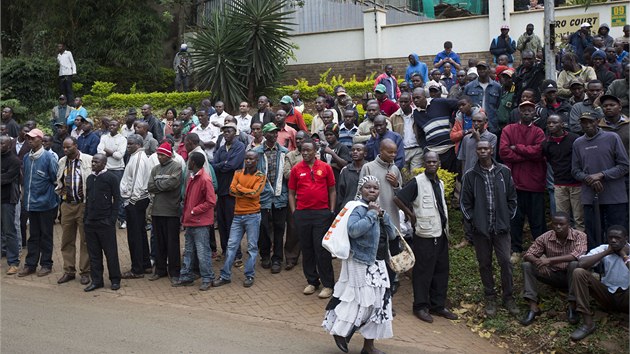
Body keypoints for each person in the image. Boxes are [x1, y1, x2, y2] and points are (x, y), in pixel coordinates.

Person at [322, 176, 395, 354]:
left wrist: (382, 215)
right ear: (360, 190)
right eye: (367, 187)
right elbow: (354, 231)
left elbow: (392, 234)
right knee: (358, 300)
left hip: (378, 261)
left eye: (375, 188)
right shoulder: (356, 208)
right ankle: (340, 332)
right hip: (360, 261)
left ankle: (368, 347)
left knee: (378, 303)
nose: (372, 191)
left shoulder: (378, 209)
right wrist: (370, 214)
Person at [395, 152, 458, 323]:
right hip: (425, 235)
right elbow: (398, 198)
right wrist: (410, 215)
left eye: (434, 161)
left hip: (441, 233)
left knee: (441, 271)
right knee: (423, 272)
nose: (431, 164)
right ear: (424, 163)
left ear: (439, 163)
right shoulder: (417, 182)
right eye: (428, 161)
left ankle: (438, 306)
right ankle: (420, 306)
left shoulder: (440, 182)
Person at [460, 140, 519, 317]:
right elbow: (465, 203)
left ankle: (508, 297)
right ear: (476, 151)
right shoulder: (470, 175)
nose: (483, 151)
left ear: (491, 150)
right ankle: (490, 297)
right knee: (485, 264)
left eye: (486, 148)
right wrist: (474, 221)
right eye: (480, 149)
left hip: (501, 229)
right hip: (481, 231)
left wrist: (507, 219)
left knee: (506, 263)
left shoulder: (504, 172)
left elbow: (513, 199)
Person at [571, 112, 629, 250]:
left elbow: (624, 166)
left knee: (617, 233)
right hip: (590, 197)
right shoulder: (578, 142)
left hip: (615, 197)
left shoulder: (612, 137)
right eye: (584, 122)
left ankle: (621, 265)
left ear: (597, 121)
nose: (588, 125)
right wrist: (588, 179)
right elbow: (575, 170)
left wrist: (602, 175)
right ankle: (597, 268)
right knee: (593, 234)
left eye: (590, 122)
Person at [288, 138, 336, 299]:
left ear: (315, 151)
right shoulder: (296, 169)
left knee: (321, 249)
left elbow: (332, 190)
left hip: (321, 214)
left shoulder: (325, 167)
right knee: (307, 248)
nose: (306, 153)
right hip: (302, 214)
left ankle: (328, 284)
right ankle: (312, 281)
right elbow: (291, 193)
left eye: (309, 150)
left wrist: (331, 210)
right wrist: (295, 212)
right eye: (303, 150)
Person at [520, 212, 587, 326]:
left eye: (562, 224)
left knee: (574, 264)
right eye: (555, 224)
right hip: (553, 274)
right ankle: (533, 307)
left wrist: (549, 260)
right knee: (527, 265)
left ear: (569, 224)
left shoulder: (579, 236)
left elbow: (576, 255)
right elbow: (528, 254)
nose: (558, 227)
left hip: (572, 277)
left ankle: (572, 305)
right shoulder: (545, 237)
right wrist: (538, 262)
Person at [500, 101, 546, 262]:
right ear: (519, 113)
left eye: (530, 110)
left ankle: (540, 250)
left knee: (537, 219)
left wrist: (517, 148)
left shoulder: (539, 132)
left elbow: (539, 152)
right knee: (515, 218)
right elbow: (504, 152)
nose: (527, 113)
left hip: (535, 183)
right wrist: (527, 154)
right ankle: (516, 249)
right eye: (524, 110)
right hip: (515, 182)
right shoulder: (508, 129)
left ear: (535, 114)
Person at [213, 151, 265, 288]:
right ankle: (225, 276)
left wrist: (240, 189)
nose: (248, 161)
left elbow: (255, 193)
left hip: (253, 215)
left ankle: (249, 275)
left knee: (252, 247)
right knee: (231, 246)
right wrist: (246, 191)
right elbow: (231, 191)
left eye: (251, 159)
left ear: (257, 160)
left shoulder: (260, 176)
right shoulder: (237, 173)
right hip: (237, 215)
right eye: (246, 158)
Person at [570, 225, 629, 341]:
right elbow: (581, 263)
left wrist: (624, 255)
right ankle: (588, 323)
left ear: (626, 238)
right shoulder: (604, 248)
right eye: (610, 237)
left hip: (626, 296)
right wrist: (606, 252)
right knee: (578, 272)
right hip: (607, 295)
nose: (613, 240)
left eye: (617, 238)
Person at [172, 152, 217, 289]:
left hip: (200, 222)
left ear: (194, 163)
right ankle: (186, 276)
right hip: (191, 221)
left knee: (202, 252)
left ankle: (208, 278)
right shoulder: (193, 177)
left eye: (189, 160)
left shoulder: (204, 179)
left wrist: (194, 211)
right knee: (189, 250)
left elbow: (211, 201)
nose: (187, 162)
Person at [17, 129, 59, 277]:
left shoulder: (49, 158)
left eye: (33, 138)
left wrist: (49, 197)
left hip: (46, 204)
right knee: (33, 235)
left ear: (40, 140)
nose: (30, 141)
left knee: (46, 235)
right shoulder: (27, 158)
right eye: (28, 138)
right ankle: (31, 264)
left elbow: (55, 180)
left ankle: (46, 264)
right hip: (31, 204)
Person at [54, 136, 92, 285]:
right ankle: (69, 270)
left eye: (68, 147)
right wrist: (60, 190)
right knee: (67, 240)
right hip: (67, 205)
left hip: (83, 205)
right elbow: (59, 180)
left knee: (85, 241)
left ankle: (85, 271)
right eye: (63, 147)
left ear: (75, 146)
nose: (65, 150)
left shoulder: (88, 160)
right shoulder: (62, 162)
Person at [253, 123, 289, 273]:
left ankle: (277, 258)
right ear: (265, 134)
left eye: (276, 133)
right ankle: (265, 255)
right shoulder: (257, 152)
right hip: (263, 196)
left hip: (280, 196)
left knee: (280, 228)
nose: (274, 135)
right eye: (271, 133)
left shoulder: (284, 152)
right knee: (264, 227)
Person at [83, 153, 122, 292]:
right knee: (94, 254)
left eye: (97, 162)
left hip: (105, 223)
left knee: (110, 253)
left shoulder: (111, 178)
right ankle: (97, 280)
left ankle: (115, 279)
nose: (93, 164)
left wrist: (112, 220)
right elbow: (87, 200)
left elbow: (117, 199)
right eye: (93, 162)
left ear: (104, 163)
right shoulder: (89, 178)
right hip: (90, 223)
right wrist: (85, 220)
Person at [147, 142, 183, 282]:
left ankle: (174, 272)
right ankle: (160, 270)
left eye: (162, 155)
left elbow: (173, 183)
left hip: (171, 211)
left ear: (168, 155)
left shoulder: (176, 166)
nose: (159, 157)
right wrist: (162, 186)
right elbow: (150, 186)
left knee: (172, 243)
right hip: (157, 211)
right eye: (158, 154)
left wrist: (158, 186)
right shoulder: (155, 169)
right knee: (159, 242)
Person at [542, 115, 583, 231]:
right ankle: (565, 246)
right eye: (549, 123)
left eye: (554, 123)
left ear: (562, 124)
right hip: (559, 184)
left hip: (576, 184)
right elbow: (549, 159)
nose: (551, 125)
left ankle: (581, 245)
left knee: (579, 218)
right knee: (562, 219)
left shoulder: (574, 139)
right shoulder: (546, 143)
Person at [212, 123, 246, 262]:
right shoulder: (221, 148)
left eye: (229, 131)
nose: (226, 133)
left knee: (233, 224)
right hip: (221, 191)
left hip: (232, 191)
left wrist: (222, 165)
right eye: (224, 131)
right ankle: (226, 251)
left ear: (235, 133)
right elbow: (213, 165)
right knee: (222, 223)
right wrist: (223, 164)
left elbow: (232, 165)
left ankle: (236, 254)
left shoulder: (239, 147)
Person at [120, 134, 152, 279]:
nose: (128, 146)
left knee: (135, 236)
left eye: (131, 144)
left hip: (136, 201)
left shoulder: (139, 158)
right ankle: (145, 264)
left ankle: (137, 269)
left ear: (138, 145)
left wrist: (131, 201)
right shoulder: (135, 156)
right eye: (127, 143)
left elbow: (137, 183)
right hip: (136, 200)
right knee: (140, 233)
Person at [360, 139, 403, 242]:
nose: (393, 155)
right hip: (374, 218)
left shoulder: (395, 169)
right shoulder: (368, 167)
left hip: (392, 217)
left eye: (395, 152)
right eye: (390, 152)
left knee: (393, 252)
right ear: (381, 150)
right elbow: (360, 193)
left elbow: (401, 196)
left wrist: (396, 185)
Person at [412, 88, 459, 173]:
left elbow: (459, 104)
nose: (415, 100)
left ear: (425, 96)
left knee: (452, 177)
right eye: (414, 98)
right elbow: (420, 134)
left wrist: (452, 121)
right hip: (433, 152)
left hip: (449, 148)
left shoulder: (439, 102)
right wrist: (425, 148)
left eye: (418, 97)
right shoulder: (416, 113)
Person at [282, 130, 308, 270]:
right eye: (296, 139)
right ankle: (291, 258)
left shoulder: (313, 154)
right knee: (293, 229)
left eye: (301, 139)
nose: (298, 142)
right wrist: (303, 170)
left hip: (311, 198)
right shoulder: (290, 155)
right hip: (296, 197)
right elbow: (287, 174)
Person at [97, 120, 127, 228]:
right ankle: (106, 217)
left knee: (118, 195)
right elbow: (99, 152)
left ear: (118, 127)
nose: (111, 127)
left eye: (114, 125)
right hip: (105, 169)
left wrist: (107, 151)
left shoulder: (122, 139)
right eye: (110, 125)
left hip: (118, 169)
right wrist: (113, 152)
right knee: (105, 194)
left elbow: (120, 155)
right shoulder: (104, 137)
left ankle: (122, 218)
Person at [1, 135, 21, 275]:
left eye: (2, 143)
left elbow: (7, 178)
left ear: (9, 145)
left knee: (9, 231)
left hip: (8, 200)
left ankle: (13, 262)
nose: (0, 145)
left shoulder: (15, 160)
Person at [463, 61, 502, 134]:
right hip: (473, 124)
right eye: (479, 69)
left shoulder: (497, 87)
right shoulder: (469, 87)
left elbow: (498, 105)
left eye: (484, 68)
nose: (481, 71)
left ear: (489, 70)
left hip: (491, 124)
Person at [389, 92, 423, 171]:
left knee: (415, 174)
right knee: (404, 175)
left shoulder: (417, 114)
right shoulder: (394, 117)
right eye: (401, 102)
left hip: (417, 149)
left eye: (406, 102)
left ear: (411, 102)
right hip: (402, 150)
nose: (403, 104)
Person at [336, 143, 367, 212]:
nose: (355, 152)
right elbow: (340, 193)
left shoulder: (369, 168)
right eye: (353, 150)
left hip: (366, 208)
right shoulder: (345, 170)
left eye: (358, 150)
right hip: (348, 208)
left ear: (365, 154)